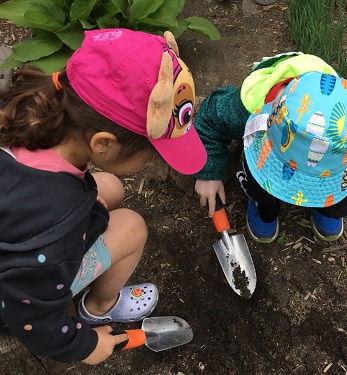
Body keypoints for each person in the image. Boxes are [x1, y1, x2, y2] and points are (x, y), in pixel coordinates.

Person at [0, 28, 206, 364]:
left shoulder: (28, 117)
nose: (153, 160)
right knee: (132, 228)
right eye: (152, 152)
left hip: (20, 229)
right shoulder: (55, 226)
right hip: (13, 295)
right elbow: (32, 316)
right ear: (103, 144)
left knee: (109, 186)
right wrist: (82, 345)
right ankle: (98, 309)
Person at [194, 52, 347, 243]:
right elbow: (211, 119)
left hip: (327, 103)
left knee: (346, 197)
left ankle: (327, 207)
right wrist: (209, 173)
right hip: (278, 99)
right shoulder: (247, 109)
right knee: (259, 185)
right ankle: (264, 205)